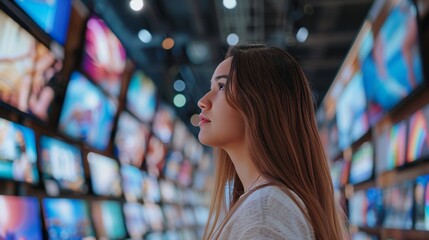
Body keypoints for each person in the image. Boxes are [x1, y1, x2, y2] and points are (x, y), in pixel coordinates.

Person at [197, 43, 347, 240]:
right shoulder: (266, 204)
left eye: (222, 86)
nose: (203, 101)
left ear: (260, 103)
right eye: (212, 87)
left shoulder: (264, 213)